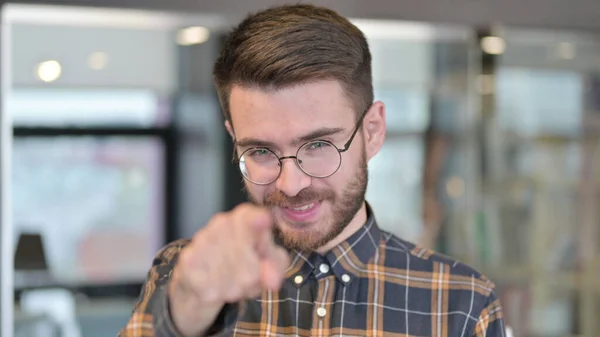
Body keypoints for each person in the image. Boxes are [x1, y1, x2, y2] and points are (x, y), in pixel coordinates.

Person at [119, 4, 505, 337]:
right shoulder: (184, 275)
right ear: (233, 139)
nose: (291, 184)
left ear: (372, 131)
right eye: (260, 151)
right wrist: (183, 312)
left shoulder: (461, 303)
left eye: (318, 145)